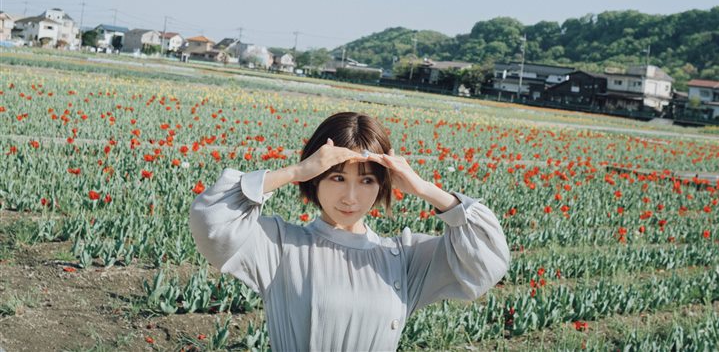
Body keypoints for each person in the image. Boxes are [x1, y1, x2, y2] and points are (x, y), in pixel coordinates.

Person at [190, 112, 510, 352]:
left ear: (382, 185)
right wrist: (295, 171)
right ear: (316, 178)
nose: (351, 197)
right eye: (338, 178)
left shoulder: (404, 258)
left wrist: (426, 189)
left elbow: (487, 261)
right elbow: (211, 221)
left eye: (367, 180)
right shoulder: (280, 246)